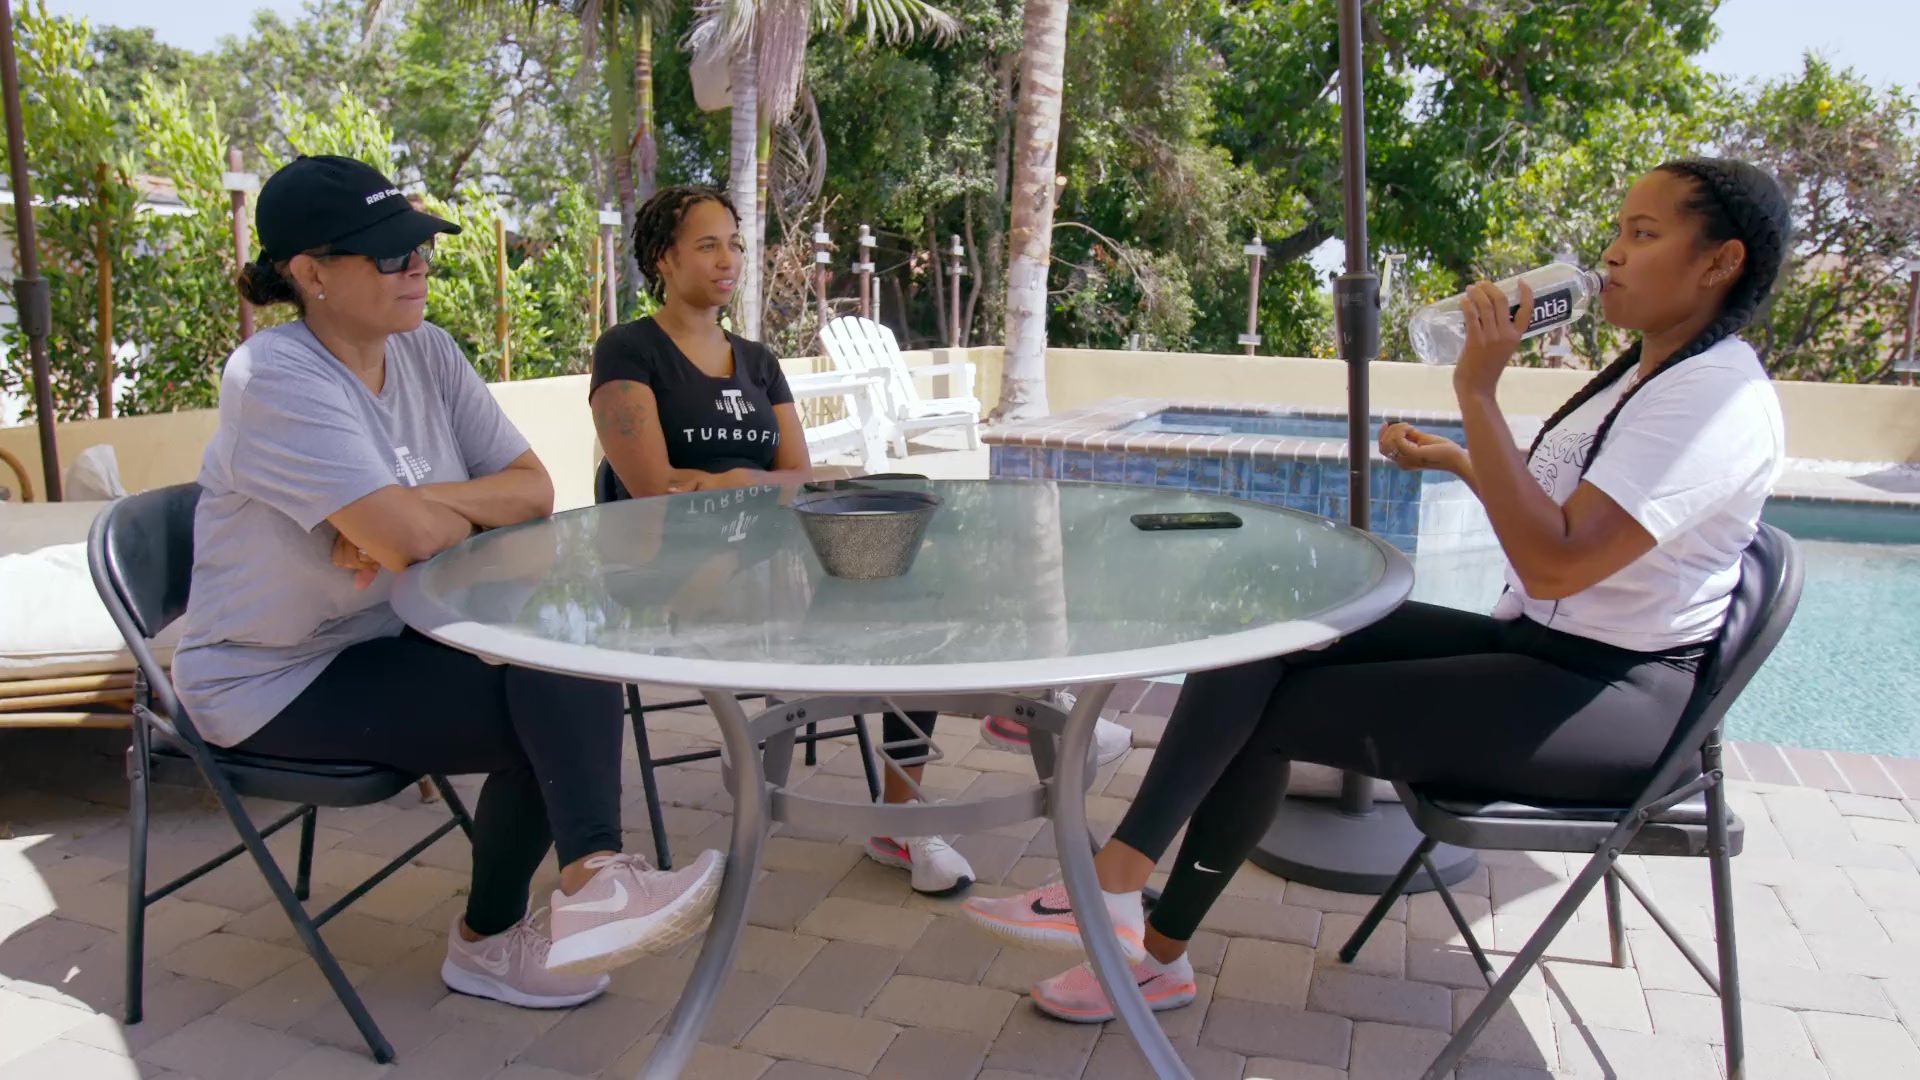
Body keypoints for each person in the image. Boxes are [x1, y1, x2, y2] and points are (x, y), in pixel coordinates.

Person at [962, 158, 1792, 1022]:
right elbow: (1560, 518)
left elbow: (1556, 561)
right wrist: (1462, 460)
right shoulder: (1646, 374)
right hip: (1543, 647)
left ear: (1721, 261)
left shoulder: (1716, 400)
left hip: (1615, 700)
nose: (1613, 253)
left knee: (1262, 714)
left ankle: (1133, 924)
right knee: (1268, 627)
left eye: (1643, 234)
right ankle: (1126, 911)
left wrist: (1476, 388)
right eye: (1619, 230)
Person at [171, 155, 724, 1012]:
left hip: (384, 635)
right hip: (269, 676)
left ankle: (594, 883)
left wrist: (406, 508)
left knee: (565, 652)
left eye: (421, 248)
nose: (418, 267)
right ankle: (497, 938)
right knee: (543, 717)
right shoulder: (275, 377)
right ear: (311, 273)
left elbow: (532, 490)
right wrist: (407, 521)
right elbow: (412, 539)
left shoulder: (424, 350)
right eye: (391, 254)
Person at [589, 185, 975, 895]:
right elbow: (654, 490)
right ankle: (779, 722)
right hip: (673, 565)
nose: (728, 259)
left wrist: (734, 481)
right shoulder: (629, 350)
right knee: (867, 600)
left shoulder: (758, 360)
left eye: (734, 244)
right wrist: (755, 483)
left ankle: (902, 817)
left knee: (908, 579)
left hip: (767, 552)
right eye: (708, 245)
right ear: (663, 258)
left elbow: (799, 475)